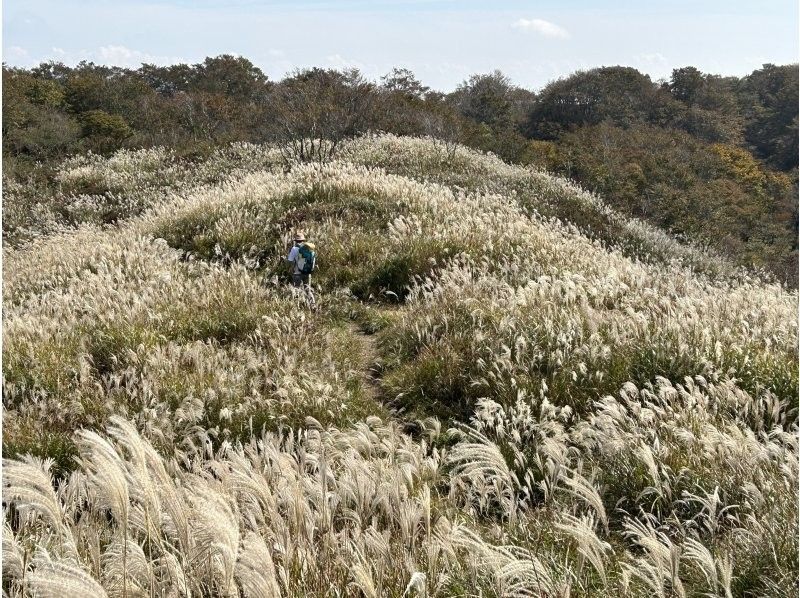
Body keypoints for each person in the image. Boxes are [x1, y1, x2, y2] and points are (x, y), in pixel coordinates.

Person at [286, 231, 317, 308]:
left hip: (297, 273)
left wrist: (290, 269)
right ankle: (313, 305)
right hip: (307, 272)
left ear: (295, 241)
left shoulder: (294, 249)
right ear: (303, 240)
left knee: (296, 290)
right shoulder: (309, 249)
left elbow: (290, 261)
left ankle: (297, 307)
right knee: (308, 290)